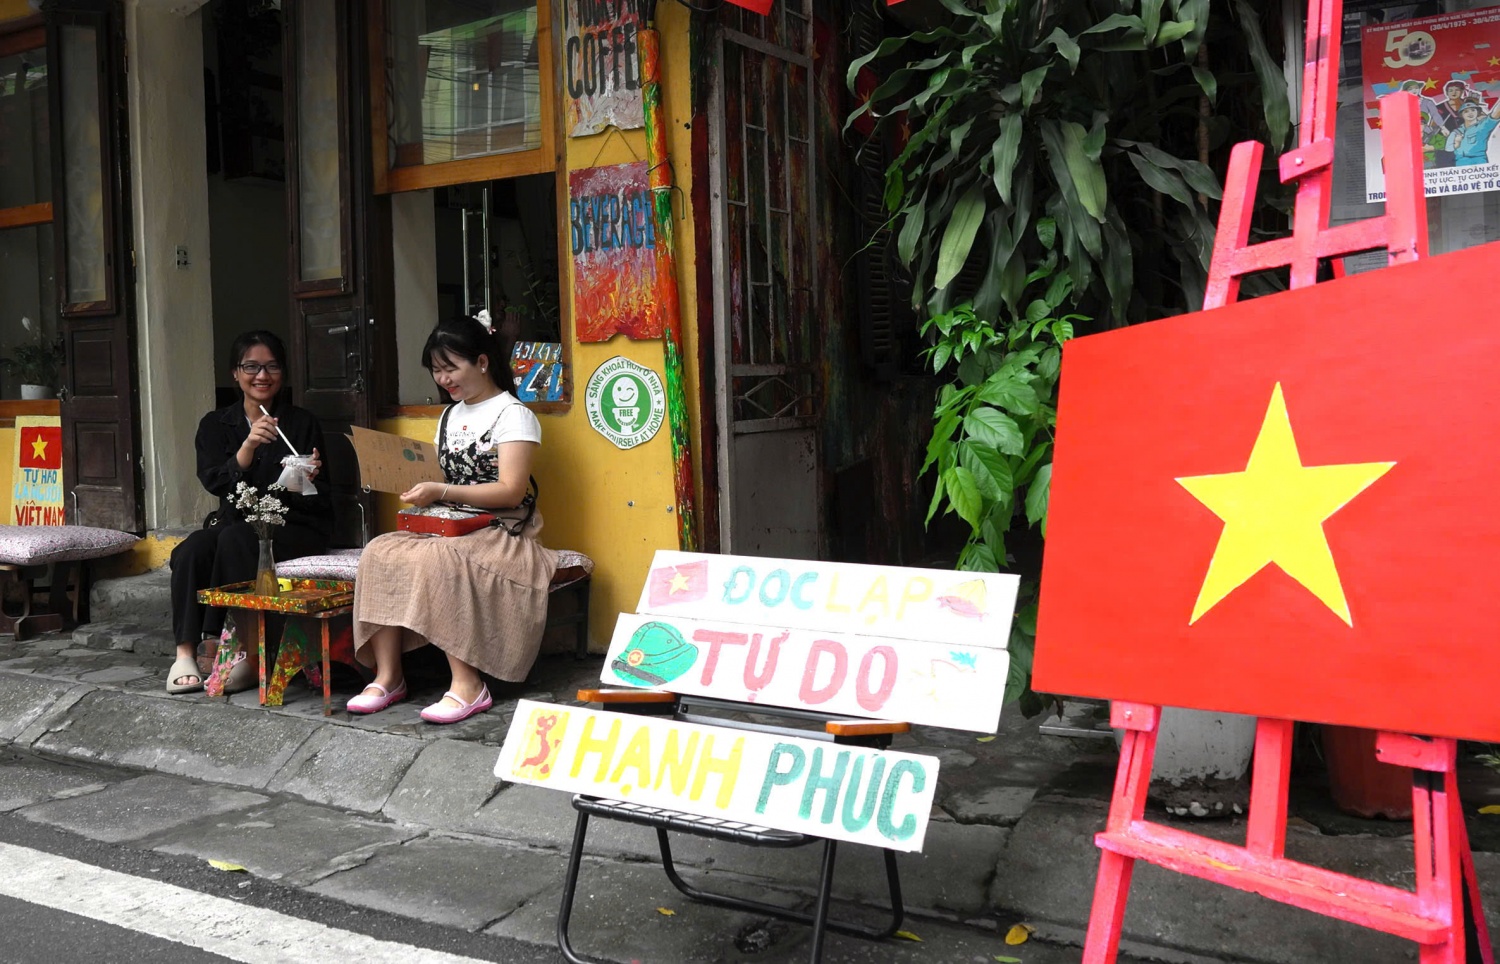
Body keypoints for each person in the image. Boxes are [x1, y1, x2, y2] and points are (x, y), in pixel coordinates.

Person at [348, 315, 557, 723]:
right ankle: (389, 676)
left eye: (451, 368)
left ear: (482, 362)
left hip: (502, 529)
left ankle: (468, 684)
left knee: (441, 558)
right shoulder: (449, 416)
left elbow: (510, 491)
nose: (443, 379)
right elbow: (441, 479)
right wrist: (418, 488)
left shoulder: (513, 414)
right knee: (379, 551)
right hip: (450, 522)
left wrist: (440, 491)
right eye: (436, 370)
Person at [167, 331, 332, 694]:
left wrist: (305, 478)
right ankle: (185, 654)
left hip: (295, 525)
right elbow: (215, 482)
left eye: (272, 367)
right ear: (235, 372)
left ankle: (246, 652)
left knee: (238, 538)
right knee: (194, 548)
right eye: (252, 367)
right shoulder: (215, 425)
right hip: (236, 521)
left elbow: (318, 496)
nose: (262, 376)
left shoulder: (300, 423)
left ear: (283, 373)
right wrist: (248, 446)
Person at [1446, 98, 1500, 167]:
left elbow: (1495, 114)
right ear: (1461, 114)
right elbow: (1448, 149)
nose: (1470, 113)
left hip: (1479, 160)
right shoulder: (1456, 132)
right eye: (1466, 111)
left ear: (1477, 112)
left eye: (1473, 110)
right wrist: (1457, 142)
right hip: (1460, 162)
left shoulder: (1482, 127)